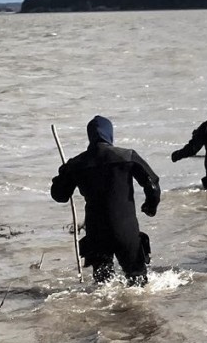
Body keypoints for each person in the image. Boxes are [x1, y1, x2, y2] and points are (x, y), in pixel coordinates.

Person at [51, 116, 161, 285]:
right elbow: (152, 184)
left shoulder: (77, 164)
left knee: (103, 287)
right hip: (125, 230)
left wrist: (63, 174)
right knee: (138, 283)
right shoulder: (127, 156)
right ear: (110, 134)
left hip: (97, 233)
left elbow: (59, 195)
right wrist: (150, 206)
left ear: (90, 136)